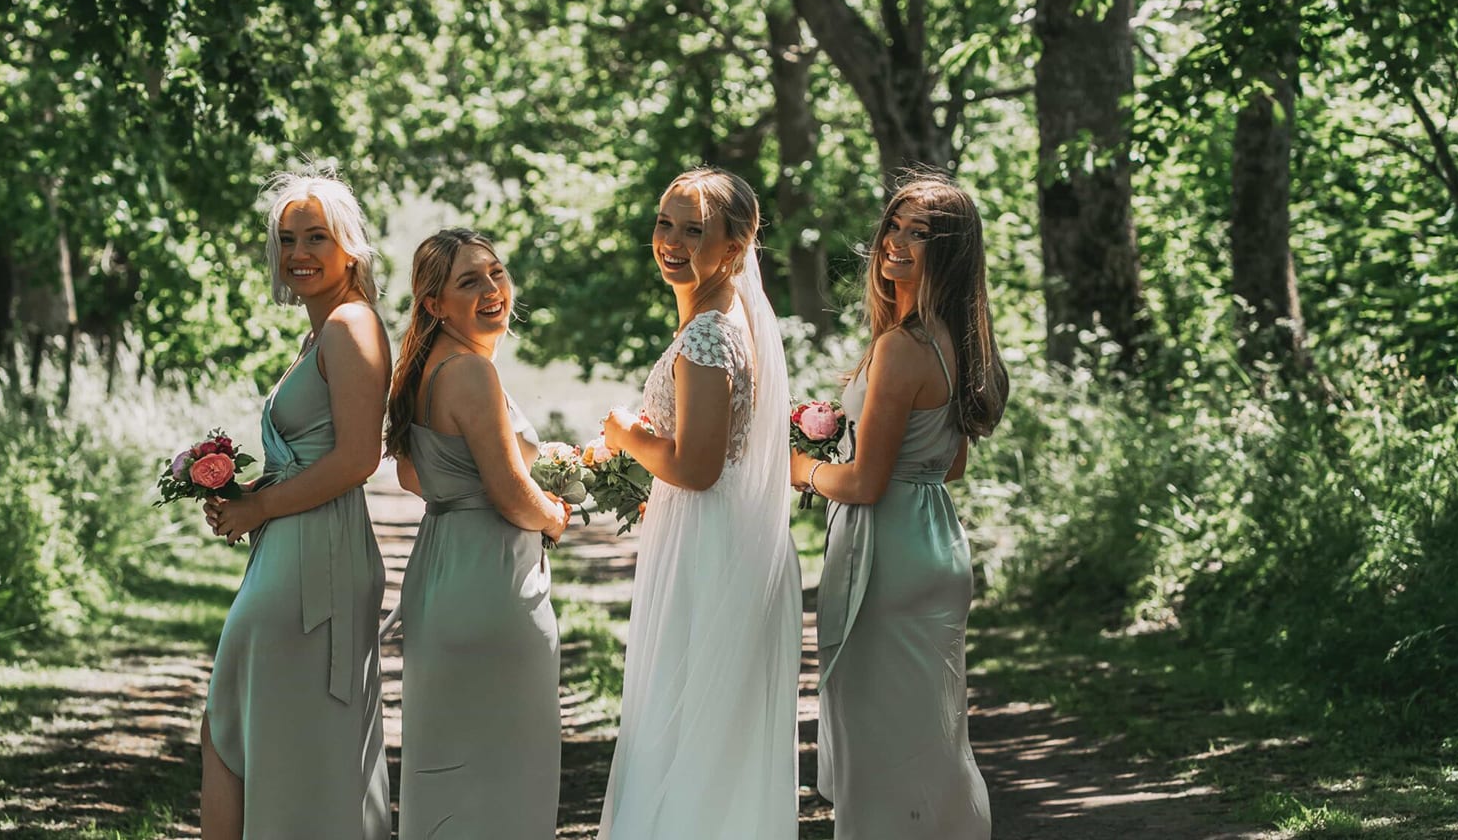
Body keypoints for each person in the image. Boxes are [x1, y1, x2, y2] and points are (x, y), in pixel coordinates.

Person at [794, 172, 1010, 840]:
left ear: (950, 253)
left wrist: (799, 467)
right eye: (895, 225)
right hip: (936, 544)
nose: (897, 241)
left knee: (881, 744)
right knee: (931, 737)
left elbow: (865, 484)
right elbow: (951, 464)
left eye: (920, 234)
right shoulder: (955, 341)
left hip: (885, 555)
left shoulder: (900, 347)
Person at [599, 167, 801, 838]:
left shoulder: (710, 332)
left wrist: (626, 437)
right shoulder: (725, 316)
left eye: (694, 230)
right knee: (703, 724)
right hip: (718, 530)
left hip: (709, 543)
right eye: (665, 224)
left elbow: (697, 467)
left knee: (687, 717)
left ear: (734, 247)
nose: (671, 242)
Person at [199, 168, 392, 840]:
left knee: (256, 730)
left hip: (317, 559)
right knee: (243, 726)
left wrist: (260, 510)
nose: (298, 253)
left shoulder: (351, 326)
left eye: (316, 237)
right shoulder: (320, 333)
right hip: (292, 546)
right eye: (287, 239)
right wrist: (246, 494)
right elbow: (319, 452)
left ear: (349, 248)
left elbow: (358, 458)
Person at [388, 227, 571, 839]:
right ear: (435, 303)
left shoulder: (424, 367)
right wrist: (554, 515)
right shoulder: (470, 371)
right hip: (492, 583)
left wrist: (460, 492)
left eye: (495, 273)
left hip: (441, 572)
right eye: (469, 281)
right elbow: (511, 494)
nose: (492, 289)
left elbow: (414, 476)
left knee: (449, 761)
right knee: (509, 767)